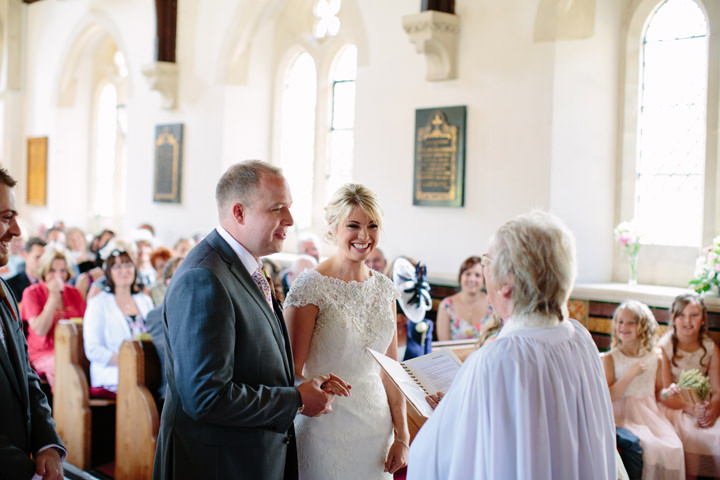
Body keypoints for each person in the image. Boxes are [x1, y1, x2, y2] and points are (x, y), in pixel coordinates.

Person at [153, 160, 348, 480]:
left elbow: (253, 361)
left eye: (289, 207)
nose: (290, 220)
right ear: (239, 213)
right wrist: (296, 400)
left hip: (250, 459)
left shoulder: (247, 266)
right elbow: (206, 397)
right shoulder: (203, 278)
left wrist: (302, 384)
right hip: (217, 465)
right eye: (277, 209)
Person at [407, 210, 617, 479]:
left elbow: (432, 459)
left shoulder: (498, 358)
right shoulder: (580, 338)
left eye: (486, 261)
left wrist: (450, 420)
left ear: (506, 283)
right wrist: (463, 408)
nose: (483, 272)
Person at [284, 183, 409, 479]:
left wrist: (402, 435)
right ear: (333, 226)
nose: (364, 236)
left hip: (376, 430)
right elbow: (290, 370)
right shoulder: (310, 286)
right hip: (324, 425)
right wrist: (316, 386)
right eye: (353, 225)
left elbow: (390, 371)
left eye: (372, 226)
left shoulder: (384, 289)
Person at [0, 167, 65, 479]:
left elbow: (25, 374)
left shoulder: (6, 294)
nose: (16, 231)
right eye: (4, 217)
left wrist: (47, 444)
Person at [601, 301, 684, 480]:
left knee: (673, 446)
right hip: (622, 416)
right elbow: (608, 397)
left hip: (649, 414)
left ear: (643, 326)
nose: (623, 327)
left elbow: (657, 392)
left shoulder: (655, 357)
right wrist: (630, 374)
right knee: (651, 447)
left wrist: (667, 393)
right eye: (620, 322)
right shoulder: (609, 358)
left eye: (631, 322)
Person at [658, 293, 720, 477]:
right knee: (690, 436)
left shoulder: (710, 348)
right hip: (676, 405)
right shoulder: (664, 348)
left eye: (694, 315)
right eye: (682, 315)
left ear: (703, 320)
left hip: (703, 404)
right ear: (673, 319)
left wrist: (713, 409)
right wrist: (690, 408)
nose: (688, 321)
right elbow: (663, 394)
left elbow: (717, 390)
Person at [83, 248, 154, 394]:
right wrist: (129, 361)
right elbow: (93, 349)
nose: (124, 270)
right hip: (112, 374)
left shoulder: (145, 300)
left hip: (147, 370)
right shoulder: (98, 303)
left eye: (128, 265)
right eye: (117, 266)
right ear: (109, 272)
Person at [20, 247, 86, 389]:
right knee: (64, 367)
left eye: (62, 271)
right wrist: (53, 298)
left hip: (74, 350)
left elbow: (85, 326)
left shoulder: (74, 293)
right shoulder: (32, 293)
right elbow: (40, 330)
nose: (58, 276)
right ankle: (66, 409)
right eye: (52, 271)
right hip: (44, 353)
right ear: (44, 271)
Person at [436, 256, 492, 340]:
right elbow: (444, 345)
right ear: (460, 276)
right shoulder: (446, 305)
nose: (472, 279)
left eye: (477, 275)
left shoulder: (492, 302)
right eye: (468, 274)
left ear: (483, 279)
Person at [389, 256, 433, 361]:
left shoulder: (424, 326)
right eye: (398, 309)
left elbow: (428, 362)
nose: (400, 318)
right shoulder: (375, 325)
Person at [7, 236, 46, 302]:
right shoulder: (10, 285)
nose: (42, 262)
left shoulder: (51, 282)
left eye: (45, 258)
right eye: (38, 257)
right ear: (25, 255)